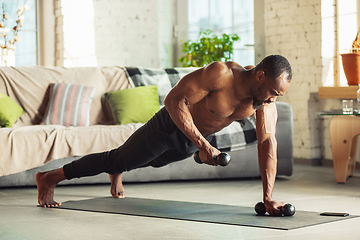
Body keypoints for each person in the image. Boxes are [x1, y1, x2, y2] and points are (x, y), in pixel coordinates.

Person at [36, 54, 292, 216]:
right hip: (170, 126)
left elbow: (268, 143)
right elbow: (173, 100)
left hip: (193, 143)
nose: (273, 99)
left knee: (154, 162)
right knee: (117, 159)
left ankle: (122, 166)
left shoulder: (263, 103)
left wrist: (267, 197)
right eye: (273, 91)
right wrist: (203, 144)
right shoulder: (221, 74)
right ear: (260, 75)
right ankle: (50, 177)